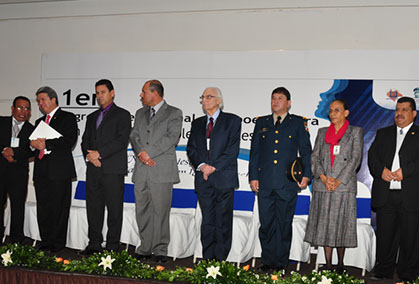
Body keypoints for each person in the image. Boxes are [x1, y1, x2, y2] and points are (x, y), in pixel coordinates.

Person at [368, 97, 419, 281]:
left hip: (412, 195)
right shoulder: (383, 133)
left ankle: (408, 274)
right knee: (385, 236)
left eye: (404, 110)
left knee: (411, 238)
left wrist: (404, 172)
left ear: (414, 113)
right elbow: (372, 157)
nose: (399, 113)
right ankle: (383, 271)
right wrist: (381, 171)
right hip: (386, 194)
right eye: (397, 109)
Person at [249, 87, 312, 271]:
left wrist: (307, 174)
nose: (275, 102)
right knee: (266, 224)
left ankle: (281, 264)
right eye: (273, 98)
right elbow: (255, 152)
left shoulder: (298, 123)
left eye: (280, 98)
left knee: (284, 225)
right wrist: (253, 176)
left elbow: (306, 152)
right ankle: (267, 262)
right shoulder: (262, 122)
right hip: (265, 183)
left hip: (287, 183)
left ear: (288, 103)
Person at [304, 99, 363, 272]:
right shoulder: (322, 132)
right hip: (323, 185)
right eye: (330, 111)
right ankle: (328, 265)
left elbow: (355, 159)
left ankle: (340, 265)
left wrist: (337, 180)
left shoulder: (355, 132)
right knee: (324, 227)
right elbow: (314, 157)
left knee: (341, 226)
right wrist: (323, 178)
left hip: (343, 186)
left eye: (337, 110)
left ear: (346, 113)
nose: (332, 114)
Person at [130, 80, 183, 263]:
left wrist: (148, 153)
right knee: (142, 210)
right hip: (141, 169)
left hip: (161, 170)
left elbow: (172, 137)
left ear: (154, 93)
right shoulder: (140, 113)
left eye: (144, 91)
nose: (141, 95)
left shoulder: (174, 113)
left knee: (161, 211)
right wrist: (141, 153)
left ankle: (161, 249)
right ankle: (145, 247)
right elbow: (134, 135)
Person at [187, 87, 242, 261]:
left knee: (223, 222)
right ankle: (208, 260)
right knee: (207, 222)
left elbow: (232, 151)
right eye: (202, 97)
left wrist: (212, 167)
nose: (205, 100)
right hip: (203, 180)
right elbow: (191, 149)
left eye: (209, 97)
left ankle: (220, 261)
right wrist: (202, 166)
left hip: (223, 178)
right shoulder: (197, 123)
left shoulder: (232, 121)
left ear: (219, 100)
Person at [79, 79, 132, 255]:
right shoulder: (91, 117)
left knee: (114, 210)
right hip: (93, 169)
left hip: (113, 170)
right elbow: (85, 141)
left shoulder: (123, 114)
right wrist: (90, 156)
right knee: (93, 208)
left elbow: (121, 141)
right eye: (97, 93)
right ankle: (94, 244)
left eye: (103, 92)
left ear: (112, 93)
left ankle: (112, 246)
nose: (99, 96)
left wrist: (99, 153)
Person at [30, 86, 78, 252]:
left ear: (53, 99)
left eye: (43, 99)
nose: (40, 103)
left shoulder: (67, 117)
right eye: (38, 101)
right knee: (43, 208)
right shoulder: (39, 122)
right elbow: (33, 147)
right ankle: (46, 241)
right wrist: (33, 145)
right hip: (41, 172)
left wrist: (46, 143)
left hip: (59, 172)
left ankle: (57, 243)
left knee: (59, 209)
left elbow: (69, 140)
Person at [0, 96, 34, 246]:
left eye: (27, 108)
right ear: (12, 108)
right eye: (20, 107)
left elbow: (32, 151)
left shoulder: (32, 129)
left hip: (18, 173)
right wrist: (3, 151)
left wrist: (14, 153)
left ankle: (16, 241)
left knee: (18, 207)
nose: (23, 111)